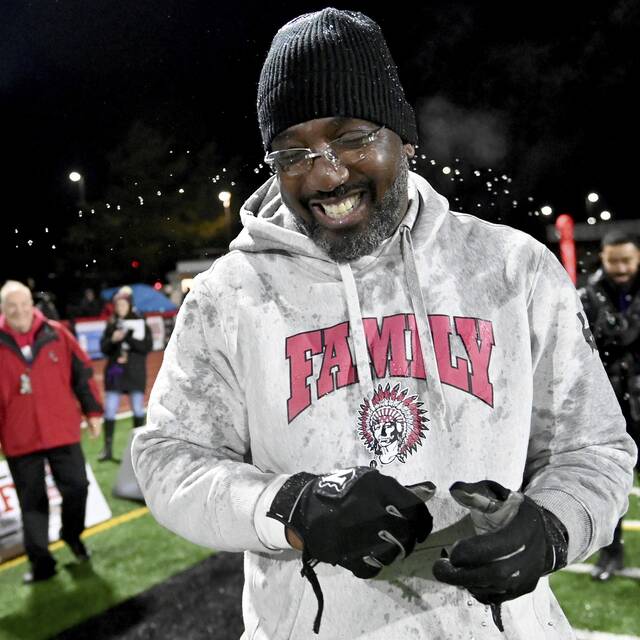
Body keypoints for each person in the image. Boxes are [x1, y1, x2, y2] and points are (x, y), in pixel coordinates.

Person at [132, 9, 636, 639]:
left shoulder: (513, 270)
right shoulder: (227, 297)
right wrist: (287, 506)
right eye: (295, 152)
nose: (326, 172)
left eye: (351, 138)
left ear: (406, 140)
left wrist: (554, 527)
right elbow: (168, 459)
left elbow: (594, 449)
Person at [0, 280, 103, 583]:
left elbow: (82, 373)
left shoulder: (57, 333)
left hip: (62, 430)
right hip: (20, 438)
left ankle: (71, 534)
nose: (19, 311)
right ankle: (42, 564)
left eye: (24, 304)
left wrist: (93, 411)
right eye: (11, 306)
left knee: (78, 487)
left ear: (32, 304)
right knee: (32, 504)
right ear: (3, 310)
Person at [579, 230, 640, 581]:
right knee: (610, 484)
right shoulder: (587, 296)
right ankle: (610, 555)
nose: (620, 267)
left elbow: (623, 336)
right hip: (609, 405)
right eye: (613, 259)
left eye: (626, 260)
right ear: (603, 257)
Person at [98, 286, 152, 461]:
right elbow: (104, 349)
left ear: (129, 305)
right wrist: (112, 340)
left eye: (123, 304)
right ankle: (107, 450)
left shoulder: (141, 322)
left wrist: (126, 336)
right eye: (118, 305)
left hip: (134, 372)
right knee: (110, 411)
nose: (120, 308)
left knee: (137, 409)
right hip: (115, 373)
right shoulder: (111, 324)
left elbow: (146, 347)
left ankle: (137, 450)